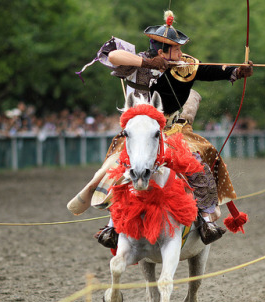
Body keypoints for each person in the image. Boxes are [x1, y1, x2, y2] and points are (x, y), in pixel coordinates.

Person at [68, 10, 252, 248]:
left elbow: (215, 70)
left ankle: (206, 219)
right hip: (137, 132)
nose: (180, 53)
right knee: (115, 167)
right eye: (175, 49)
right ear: (160, 50)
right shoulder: (135, 64)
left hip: (173, 129)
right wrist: (148, 63)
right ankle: (113, 224)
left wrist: (238, 71)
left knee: (198, 158)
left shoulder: (185, 65)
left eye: (179, 48)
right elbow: (112, 55)